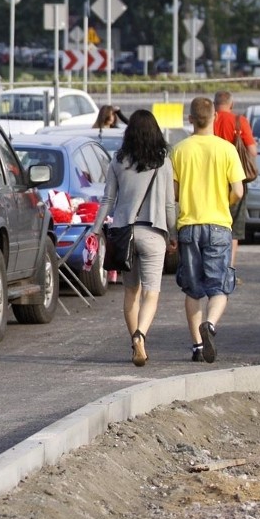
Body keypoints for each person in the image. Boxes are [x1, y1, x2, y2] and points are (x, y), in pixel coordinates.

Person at [90, 109, 178, 367]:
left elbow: (108, 199)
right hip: (154, 234)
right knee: (151, 293)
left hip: (125, 236)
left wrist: (96, 230)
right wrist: (173, 234)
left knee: (131, 292)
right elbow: (169, 205)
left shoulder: (118, 160)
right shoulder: (162, 160)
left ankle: (135, 341)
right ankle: (141, 334)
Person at [172, 96, 244, 364]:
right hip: (218, 225)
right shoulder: (226, 150)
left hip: (189, 225)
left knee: (192, 290)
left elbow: (174, 193)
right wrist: (224, 202)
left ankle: (197, 347)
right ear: (215, 117)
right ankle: (211, 325)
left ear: (190, 119)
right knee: (220, 287)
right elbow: (238, 190)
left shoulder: (179, 151)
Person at [213, 91, 257, 270]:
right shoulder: (240, 122)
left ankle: (213, 265)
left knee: (214, 222)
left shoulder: (212, 121)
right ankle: (228, 268)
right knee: (234, 227)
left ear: (215, 104)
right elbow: (252, 151)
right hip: (236, 179)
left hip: (213, 178)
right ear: (232, 104)